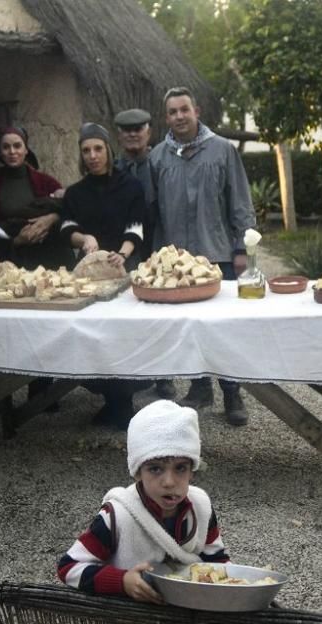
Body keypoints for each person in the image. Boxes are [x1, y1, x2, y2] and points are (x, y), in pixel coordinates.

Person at [149, 87, 255, 426]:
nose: (179, 116)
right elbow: (153, 212)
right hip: (177, 265)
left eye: (184, 109)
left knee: (223, 329)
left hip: (218, 255)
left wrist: (241, 249)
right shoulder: (157, 158)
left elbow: (240, 202)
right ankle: (199, 388)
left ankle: (232, 392)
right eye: (172, 112)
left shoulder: (222, 151)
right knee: (186, 328)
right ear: (166, 117)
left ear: (196, 110)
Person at [57, 400, 229, 601]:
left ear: (192, 471)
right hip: (132, 623)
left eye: (180, 468)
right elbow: (69, 567)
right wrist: (122, 581)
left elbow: (218, 562)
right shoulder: (117, 516)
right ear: (137, 472)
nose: (169, 482)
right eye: (155, 468)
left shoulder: (201, 508)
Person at [60, 122, 148, 429]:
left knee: (122, 337)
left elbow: (136, 228)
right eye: (86, 150)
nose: (92, 155)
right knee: (94, 337)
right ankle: (110, 396)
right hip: (88, 277)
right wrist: (84, 238)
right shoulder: (75, 192)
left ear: (108, 150)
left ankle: (123, 402)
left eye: (98, 148)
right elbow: (66, 227)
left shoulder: (131, 186)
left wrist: (121, 253)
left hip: (123, 272)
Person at [115, 107, 176, 401]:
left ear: (149, 132)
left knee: (161, 314)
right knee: (131, 312)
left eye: (138, 129)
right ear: (119, 135)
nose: (133, 134)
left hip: (159, 242)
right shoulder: (114, 169)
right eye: (127, 130)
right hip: (128, 246)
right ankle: (135, 373)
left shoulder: (161, 162)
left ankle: (165, 378)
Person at [0, 126, 69, 271]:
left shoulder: (47, 182)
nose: (12, 152)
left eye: (17, 146)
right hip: (14, 264)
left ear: (26, 150)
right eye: (6, 147)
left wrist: (52, 218)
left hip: (51, 259)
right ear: (0, 152)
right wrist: (18, 241)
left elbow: (69, 212)